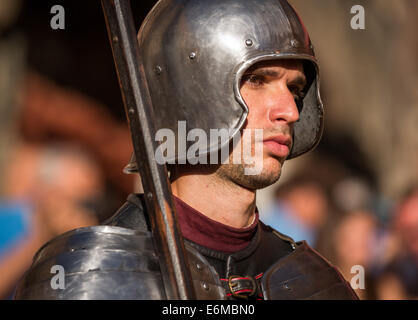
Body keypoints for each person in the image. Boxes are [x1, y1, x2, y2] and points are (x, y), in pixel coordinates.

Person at [14, 0, 358, 300]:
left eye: (294, 88)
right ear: (191, 93)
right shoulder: (87, 277)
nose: (290, 111)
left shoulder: (315, 283)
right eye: (257, 80)